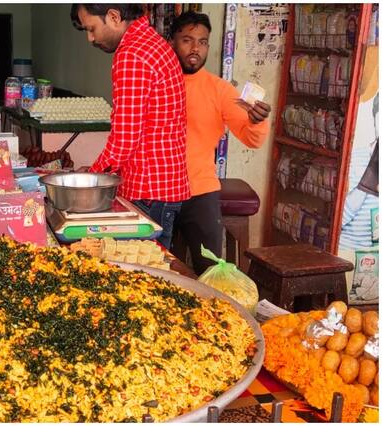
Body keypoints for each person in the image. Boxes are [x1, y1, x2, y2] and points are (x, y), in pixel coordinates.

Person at [71, 4, 190, 249]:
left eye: (92, 29)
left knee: (141, 266)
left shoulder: (133, 54)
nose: (90, 38)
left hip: (149, 191)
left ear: (114, 17)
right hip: (162, 186)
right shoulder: (153, 43)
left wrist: (91, 179)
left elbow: (124, 141)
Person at [169, 11, 271, 274]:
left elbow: (251, 139)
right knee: (153, 268)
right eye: (187, 40)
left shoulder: (220, 90)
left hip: (200, 189)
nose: (195, 48)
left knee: (212, 271)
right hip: (158, 190)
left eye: (202, 42)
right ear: (172, 42)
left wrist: (257, 120)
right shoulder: (157, 83)